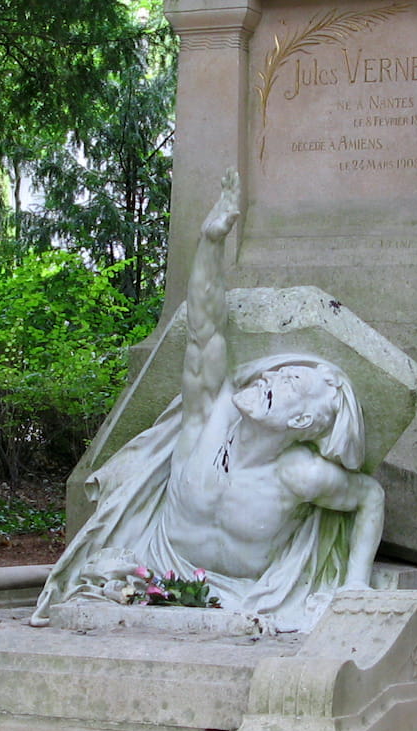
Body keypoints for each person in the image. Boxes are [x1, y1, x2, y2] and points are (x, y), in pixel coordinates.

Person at [29, 170, 383, 631]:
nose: (272, 376)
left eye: (292, 381)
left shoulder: (299, 474)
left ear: (302, 419)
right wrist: (210, 242)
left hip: (240, 597)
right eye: (280, 370)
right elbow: (204, 329)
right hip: (151, 571)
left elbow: (370, 495)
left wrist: (355, 584)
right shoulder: (209, 417)